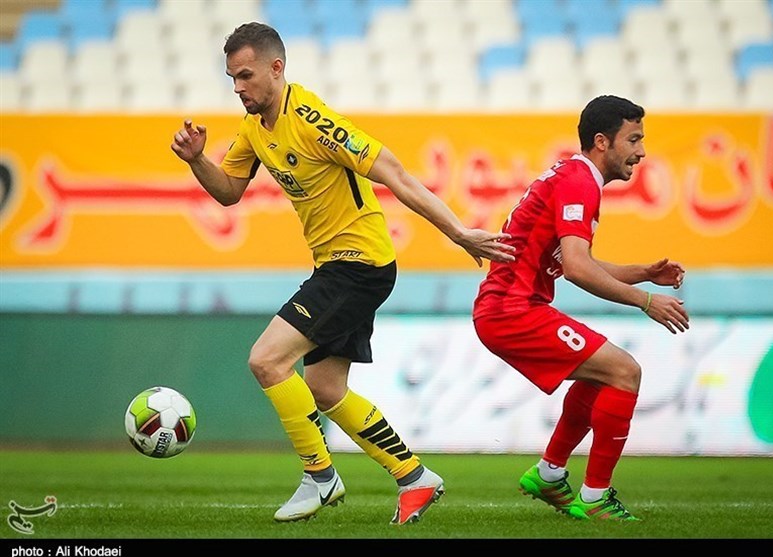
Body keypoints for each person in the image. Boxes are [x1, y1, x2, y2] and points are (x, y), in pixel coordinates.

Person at [170, 22, 515, 525]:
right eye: (232, 79)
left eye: (246, 76)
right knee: (326, 388)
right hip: (339, 266)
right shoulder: (254, 129)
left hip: (357, 265)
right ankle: (414, 477)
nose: (238, 87)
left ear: (276, 68)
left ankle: (320, 476)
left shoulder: (313, 121)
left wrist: (459, 232)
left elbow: (396, 174)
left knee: (267, 360)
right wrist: (198, 160)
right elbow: (228, 191)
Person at [472, 95, 690, 521]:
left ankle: (549, 473)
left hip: (509, 307)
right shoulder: (579, 183)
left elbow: (580, 261)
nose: (642, 152)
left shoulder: (572, 176)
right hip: (511, 310)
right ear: (602, 142)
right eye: (634, 139)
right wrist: (646, 301)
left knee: (601, 376)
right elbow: (576, 269)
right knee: (625, 371)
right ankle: (594, 498)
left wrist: (643, 273)